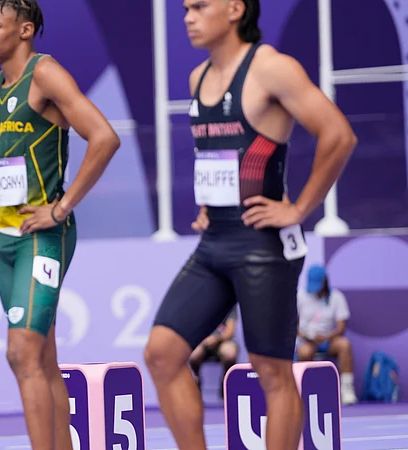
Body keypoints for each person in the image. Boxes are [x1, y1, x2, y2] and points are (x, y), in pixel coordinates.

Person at [143, 1, 358, 449]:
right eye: (185, 8)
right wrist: (208, 202)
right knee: (162, 355)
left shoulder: (273, 68)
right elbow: (217, 156)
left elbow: (338, 134)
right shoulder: (197, 79)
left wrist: (298, 208)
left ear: (236, 9)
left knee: (272, 371)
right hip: (214, 242)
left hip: (264, 246)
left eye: (200, 6)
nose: (188, 16)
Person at [0, 0, 121, 447]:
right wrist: (0, 202)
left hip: (43, 237)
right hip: (5, 235)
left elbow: (104, 137)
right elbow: (12, 156)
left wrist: (59, 209)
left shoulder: (45, 74)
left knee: (20, 352)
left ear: (24, 31)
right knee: (41, 359)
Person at [296, 264, 357, 405]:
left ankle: (347, 389)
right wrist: (306, 335)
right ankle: (307, 390)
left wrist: (326, 337)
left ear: (325, 282)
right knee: (304, 351)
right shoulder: (300, 296)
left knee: (344, 345)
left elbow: (341, 327)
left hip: (328, 340)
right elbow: (293, 325)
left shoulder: (336, 297)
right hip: (307, 340)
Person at [189, 306, 239, 399]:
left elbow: (229, 331)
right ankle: (196, 379)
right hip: (203, 341)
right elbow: (194, 329)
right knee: (194, 353)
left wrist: (216, 339)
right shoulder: (198, 305)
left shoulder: (229, 304)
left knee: (229, 352)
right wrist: (203, 339)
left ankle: (225, 381)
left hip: (223, 341)